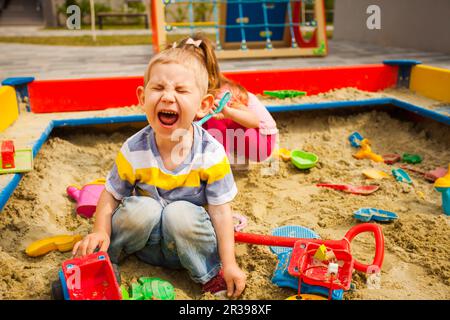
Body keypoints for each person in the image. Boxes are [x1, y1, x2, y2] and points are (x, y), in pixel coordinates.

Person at [72, 43, 246, 298]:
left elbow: (221, 211)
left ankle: (208, 274)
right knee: (143, 208)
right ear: (142, 98)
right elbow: (110, 195)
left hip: (187, 250)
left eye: (180, 90)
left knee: (180, 213)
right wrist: (100, 231)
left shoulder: (210, 153)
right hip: (143, 245)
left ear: (203, 105)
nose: (167, 96)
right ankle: (107, 259)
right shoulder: (134, 149)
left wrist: (229, 264)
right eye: (158, 88)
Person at [175, 35, 278, 166]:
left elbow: (254, 121)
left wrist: (228, 112)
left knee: (213, 114)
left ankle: (219, 161)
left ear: (208, 74)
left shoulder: (223, 94)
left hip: (262, 141)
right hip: (241, 134)